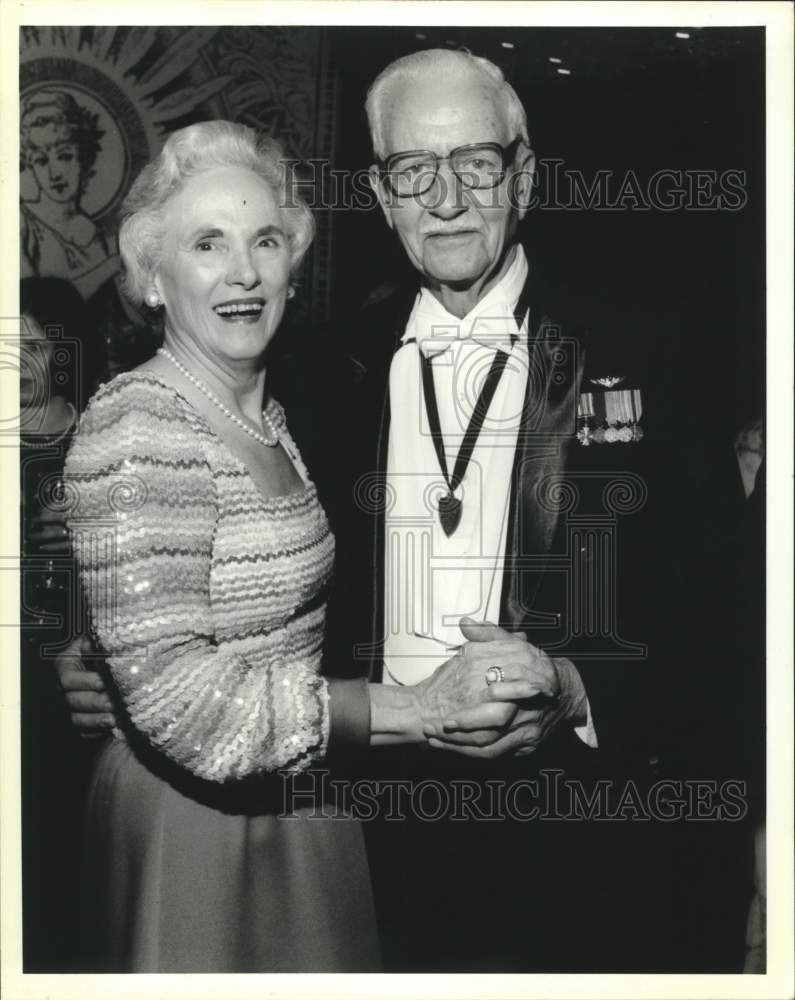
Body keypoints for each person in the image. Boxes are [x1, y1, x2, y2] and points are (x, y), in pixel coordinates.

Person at [59, 52, 756, 973]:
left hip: (582, 838)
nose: (448, 200)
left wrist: (581, 689)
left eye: (475, 164)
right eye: (412, 173)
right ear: (381, 196)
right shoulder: (321, 368)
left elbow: (731, 606)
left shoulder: (650, 343)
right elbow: (203, 571)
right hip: (366, 828)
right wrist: (104, 654)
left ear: (525, 175)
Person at [60, 120, 531, 973]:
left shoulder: (284, 411)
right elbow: (181, 706)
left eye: (265, 240)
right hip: (196, 823)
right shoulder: (137, 420)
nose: (243, 272)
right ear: (151, 277)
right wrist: (417, 710)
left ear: (291, 262)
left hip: (312, 800)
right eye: (207, 243)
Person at [19, 277, 105, 970]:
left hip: (78, 682)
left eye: (34, 346)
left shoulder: (101, 441)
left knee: (68, 852)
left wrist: (89, 534)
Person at [20, 90, 120, 300]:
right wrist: (112, 265)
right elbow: (29, 303)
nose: (54, 174)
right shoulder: (22, 222)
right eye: (41, 161)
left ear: (83, 156)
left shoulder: (92, 233)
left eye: (64, 156)